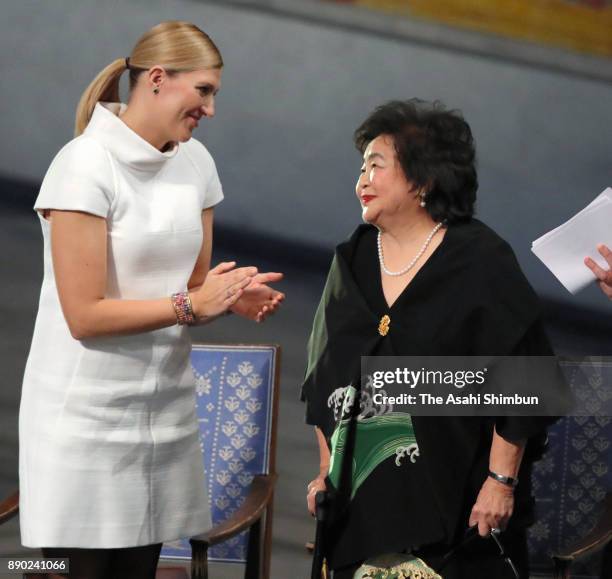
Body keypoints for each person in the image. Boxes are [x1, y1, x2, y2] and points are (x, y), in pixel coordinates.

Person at [19, 21, 284, 579]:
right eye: (204, 91)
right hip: (84, 421)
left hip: (163, 415)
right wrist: (192, 305)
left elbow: (186, 286)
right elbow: (84, 316)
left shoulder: (197, 165)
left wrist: (226, 296)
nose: (210, 109)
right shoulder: (83, 165)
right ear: (158, 79)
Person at [301, 100, 560, 578]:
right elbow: (325, 384)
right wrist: (325, 473)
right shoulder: (353, 260)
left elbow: (525, 380)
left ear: (423, 181)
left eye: (376, 165)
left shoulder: (480, 259)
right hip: (361, 507)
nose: (362, 179)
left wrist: (500, 482)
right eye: (361, 167)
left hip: (460, 510)